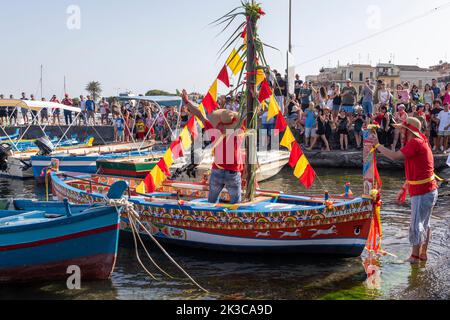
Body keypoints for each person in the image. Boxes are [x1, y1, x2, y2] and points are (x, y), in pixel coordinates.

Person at [369, 117, 439, 264]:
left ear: (409, 131)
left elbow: (394, 157)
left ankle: (414, 257)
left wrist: (377, 145)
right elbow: (419, 170)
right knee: (425, 224)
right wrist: (404, 188)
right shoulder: (422, 141)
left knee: (416, 224)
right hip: (428, 189)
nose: (401, 131)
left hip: (422, 191)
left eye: (403, 129)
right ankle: (422, 255)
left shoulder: (415, 142)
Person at [182, 89, 244, 204]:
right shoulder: (239, 130)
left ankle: (212, 219)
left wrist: (186, 102)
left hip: (217, 170)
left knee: (211, 202)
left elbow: (200, 115)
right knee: (235, 204)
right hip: (232, 172)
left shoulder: (214, 129)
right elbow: (250, 115)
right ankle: (233, 221)